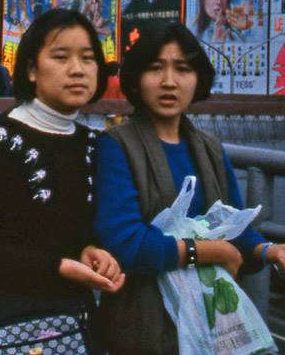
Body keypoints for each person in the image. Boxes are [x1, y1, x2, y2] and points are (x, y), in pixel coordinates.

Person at [0, 8, 124, 355]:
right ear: (32, 69)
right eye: (61, 57)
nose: (78, 69)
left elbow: (77, 232)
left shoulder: (94, 145)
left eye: (88, 58)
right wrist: (57, 267)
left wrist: (92, 251)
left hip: (70, 329)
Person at [94, 21, 285, 354]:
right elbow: (125, 243)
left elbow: (236, 232)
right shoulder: (116, 145)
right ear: (137, 78)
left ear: (198, 79)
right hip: (144, 324)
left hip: (211, 327)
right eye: (156, 68)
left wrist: (270, 251)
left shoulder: (210, 148)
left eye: (182, 69)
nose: (169, 81)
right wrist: (208, 252)